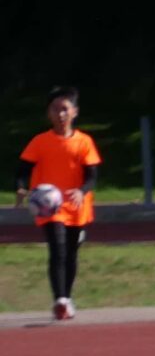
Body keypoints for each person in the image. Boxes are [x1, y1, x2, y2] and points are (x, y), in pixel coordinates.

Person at [17, 86, 100, 320]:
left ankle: (67, 298)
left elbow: (92, 175)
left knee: (71, 253)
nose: (60, 114)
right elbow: (23, 169)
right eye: (55, 109)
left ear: (75, 112)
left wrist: (82, 191)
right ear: (48, 113)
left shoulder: (84, 142)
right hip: (49, 207)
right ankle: (60, 299)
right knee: (57, 248)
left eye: (64, 109)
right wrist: (21, 187)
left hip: (76, 206)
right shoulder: (40, 141)